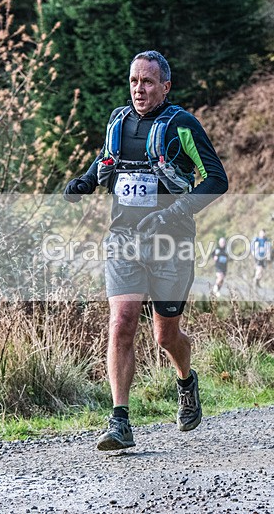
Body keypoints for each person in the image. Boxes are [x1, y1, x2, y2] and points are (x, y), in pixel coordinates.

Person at [63, 50, 228, 451]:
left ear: (165, 86)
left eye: (148, 81)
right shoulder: (118, 121)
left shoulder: (182, 125)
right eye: (135, 81)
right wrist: (85, 182)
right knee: (121, 322)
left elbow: (216, 180)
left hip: (171, 242)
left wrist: (173, 212)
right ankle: (120, 421)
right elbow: (107, 161)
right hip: (123, 241)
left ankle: (186, 382)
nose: (140, 88)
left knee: (165, 336)